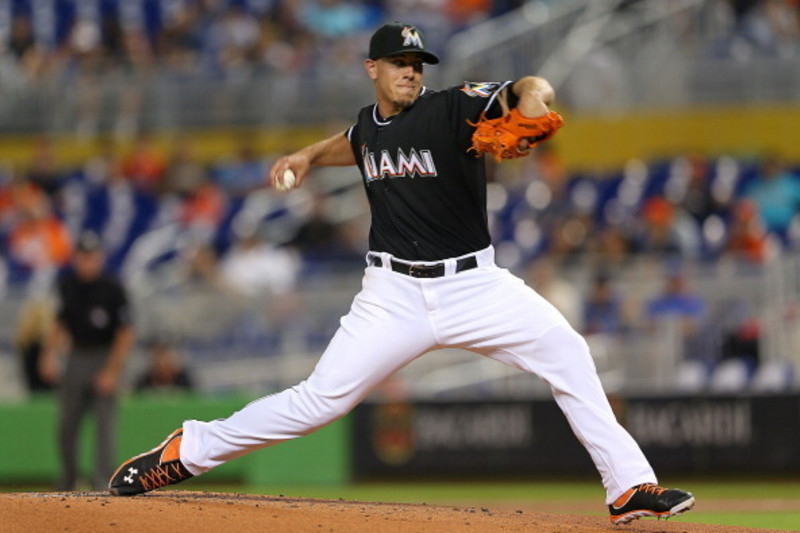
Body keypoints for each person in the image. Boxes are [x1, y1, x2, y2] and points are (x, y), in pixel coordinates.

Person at [108, 22, 694, 525]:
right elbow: (355, 143)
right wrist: (308, 156)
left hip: (475, 285)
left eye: (417, 63)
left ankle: (628, 488)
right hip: (392, 294)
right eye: (399, 63)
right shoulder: (369, 126)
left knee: (566, 350)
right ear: (373, 69)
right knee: (318, 403)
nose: (411, 72)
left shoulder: (453, 107)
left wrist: (535, 100)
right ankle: (189, 449)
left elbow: (524, 88)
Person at [40, 231, 135, 491]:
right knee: (66, 424)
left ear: (100, 258)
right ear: (76, 259)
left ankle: (103, 481)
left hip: (104, 355)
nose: (87, 262)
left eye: (92, 257)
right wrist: (50, 354)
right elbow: (60, 322)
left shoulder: (113, 288)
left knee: (105, 426)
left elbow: (125, 333)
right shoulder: (68, 285)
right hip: (77, 355)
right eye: (82, 257)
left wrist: (112, 371)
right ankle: (69, 480)